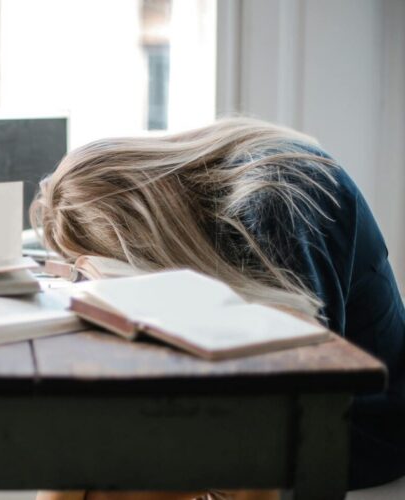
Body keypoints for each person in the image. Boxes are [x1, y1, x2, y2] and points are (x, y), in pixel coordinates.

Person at [30, 118, 405, 500]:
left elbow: (300, 387)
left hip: (362, 427)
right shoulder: (226, 190)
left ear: (139, 235)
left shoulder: (276, 196)